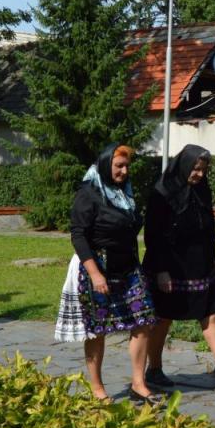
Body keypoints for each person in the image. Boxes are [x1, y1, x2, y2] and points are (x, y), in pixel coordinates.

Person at [54, 144, 160, 405]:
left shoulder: (124, 193)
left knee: (143, 321)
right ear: (105, 165)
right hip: (97, 267)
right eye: (118, 166)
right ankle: (97, 387)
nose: (124, 171)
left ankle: (139, 384)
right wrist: (95, 274)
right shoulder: (88, 193)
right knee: (98, 329)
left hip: (128, 268)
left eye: (126, 166)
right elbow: (78, 235)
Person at [143, 144, 215, 391]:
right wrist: (161, 270)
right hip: (170, 266)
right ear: (184, 165)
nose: (200, 174)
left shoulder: (202, 189)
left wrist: (213, 256)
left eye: (203, 170)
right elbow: (153, 234)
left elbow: (208, 225)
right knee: (163, 318)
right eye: (196, 169)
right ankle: (154, 369)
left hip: (199, 264)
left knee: (211, 314)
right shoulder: (162, 192)